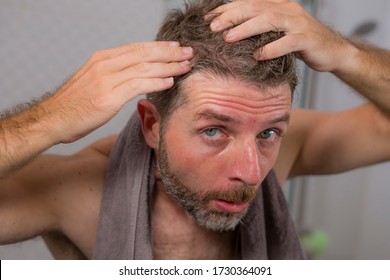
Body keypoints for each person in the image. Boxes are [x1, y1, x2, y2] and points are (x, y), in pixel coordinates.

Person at [0, 0, 389, 259]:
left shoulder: (280, 139)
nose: (251, 173)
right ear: (152, 125)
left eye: (269, 133)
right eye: (214, 131)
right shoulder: (79, 191)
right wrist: (50, 118)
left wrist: (347, 54)